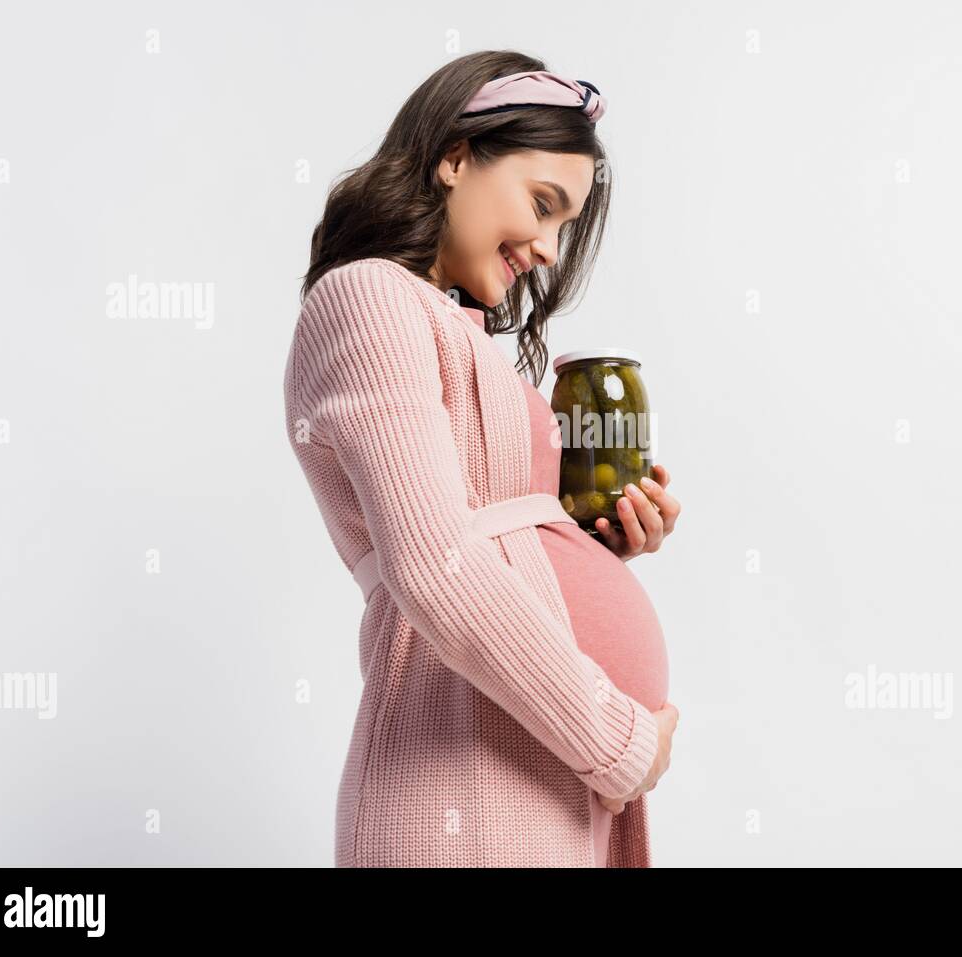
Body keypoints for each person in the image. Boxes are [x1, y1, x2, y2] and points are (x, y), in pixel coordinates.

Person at [283, 50, 682, 867]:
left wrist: (591, 543)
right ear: (456, 157)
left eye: (566, 225)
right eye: (543, 204)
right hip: (463, 781)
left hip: (537, 772)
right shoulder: (367, 297)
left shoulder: (451, 330)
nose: (547, 248)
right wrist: (620, 742)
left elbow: (488, 538)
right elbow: (436, 566)